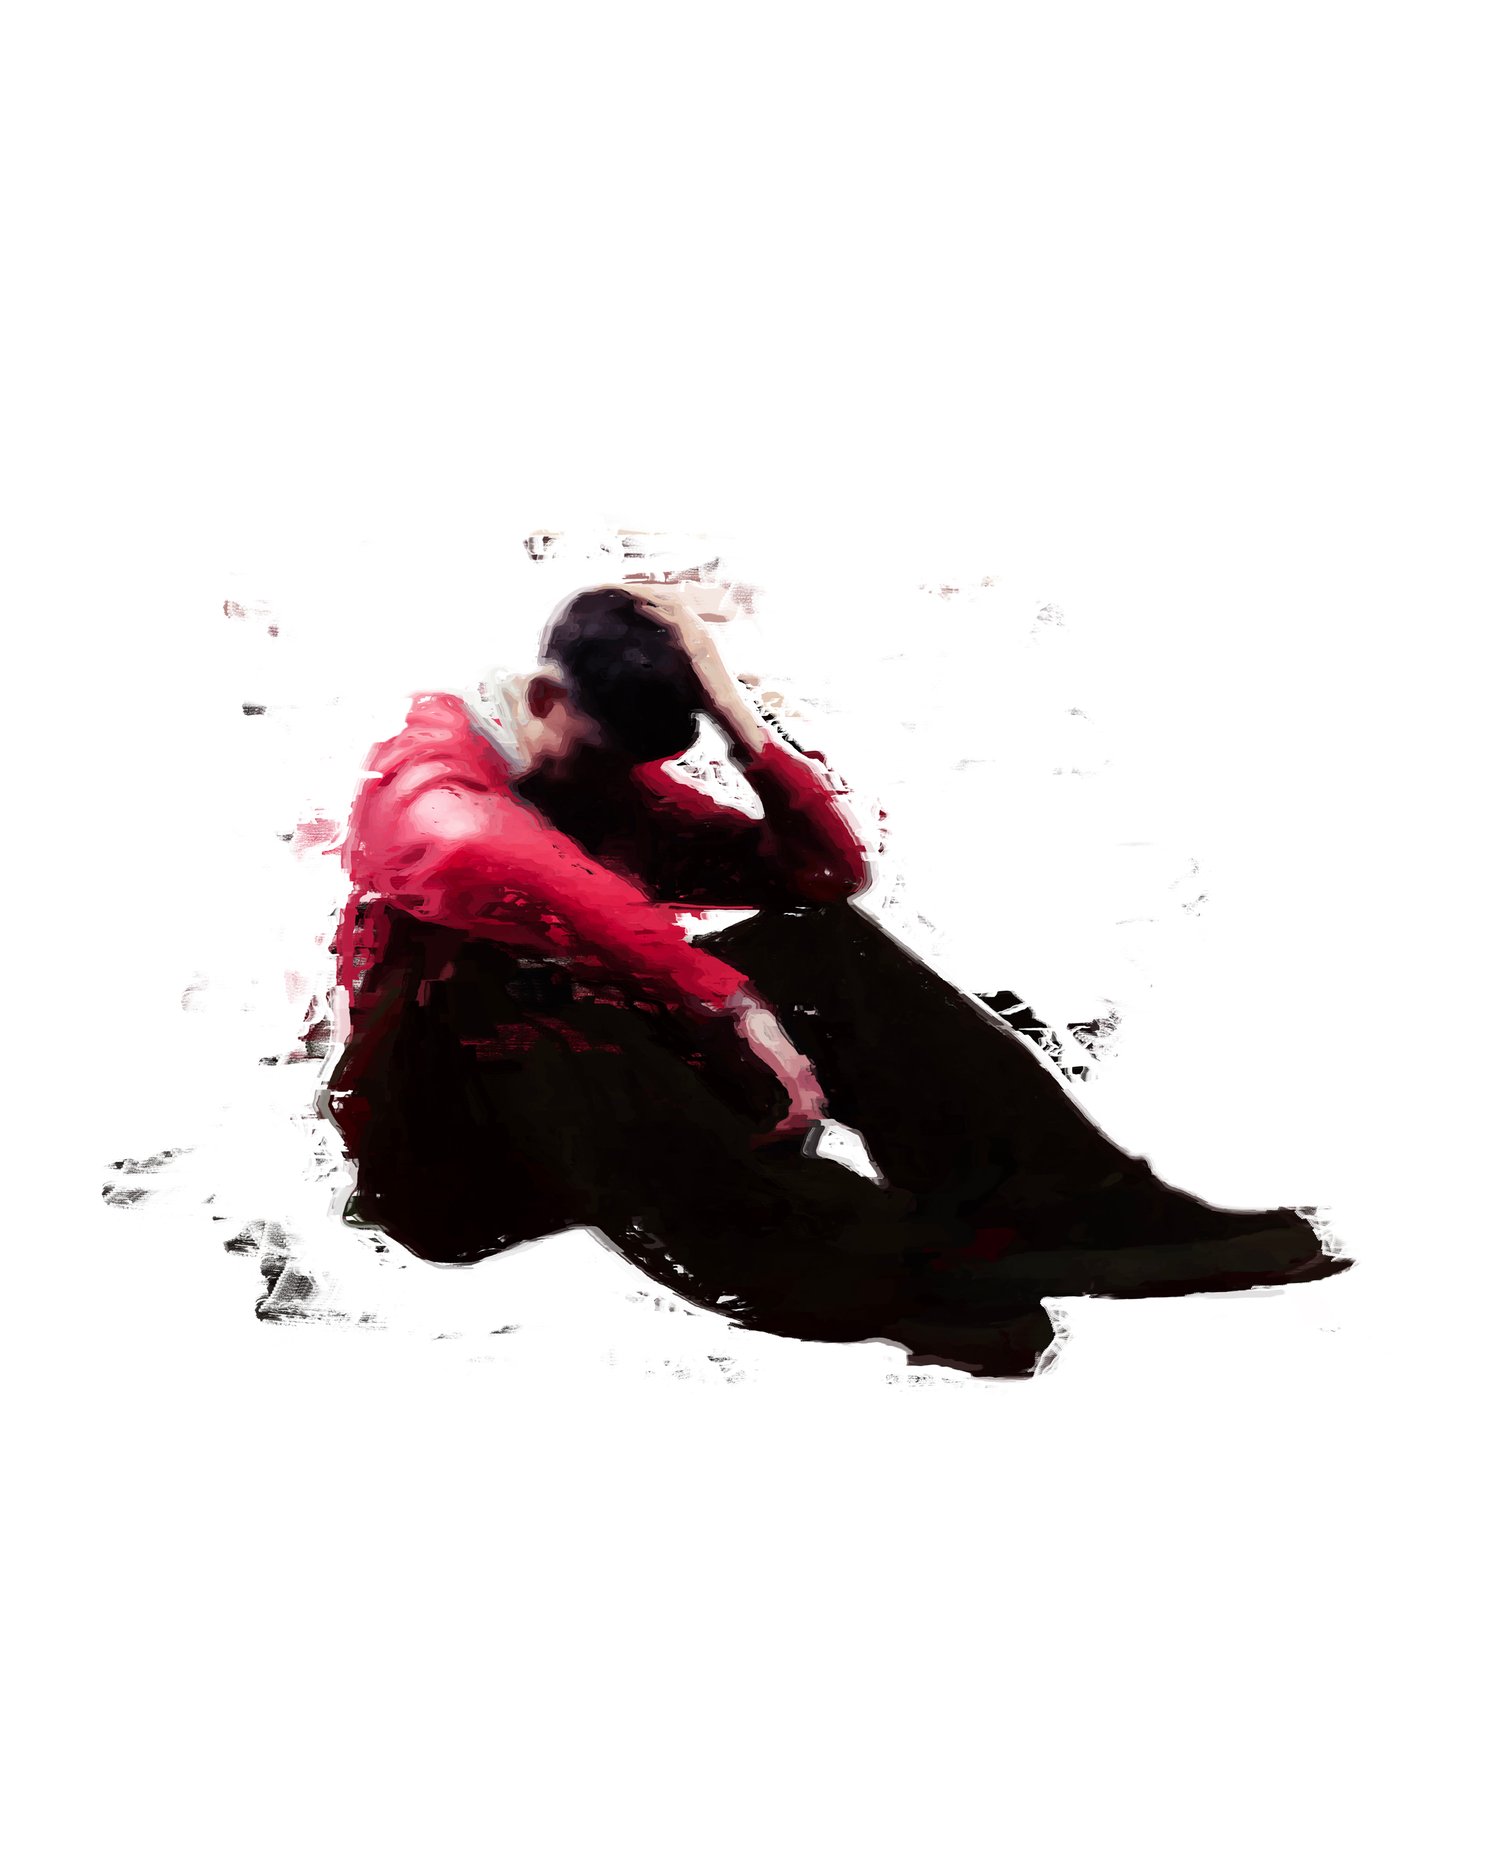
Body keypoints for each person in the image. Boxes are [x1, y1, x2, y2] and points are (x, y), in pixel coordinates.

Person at [325, 581, 1347, 1376]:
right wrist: (729, 1002)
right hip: (457, 1164)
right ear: (544, 700)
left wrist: (740, 719)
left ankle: (1067, 1210)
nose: (622, 783)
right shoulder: (428, 770)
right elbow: (476, 853)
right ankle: (884, 1263)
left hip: (616, 1125)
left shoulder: (594, 768)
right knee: (514, 990)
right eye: (606, 756)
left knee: (821, 940)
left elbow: (820, 874)